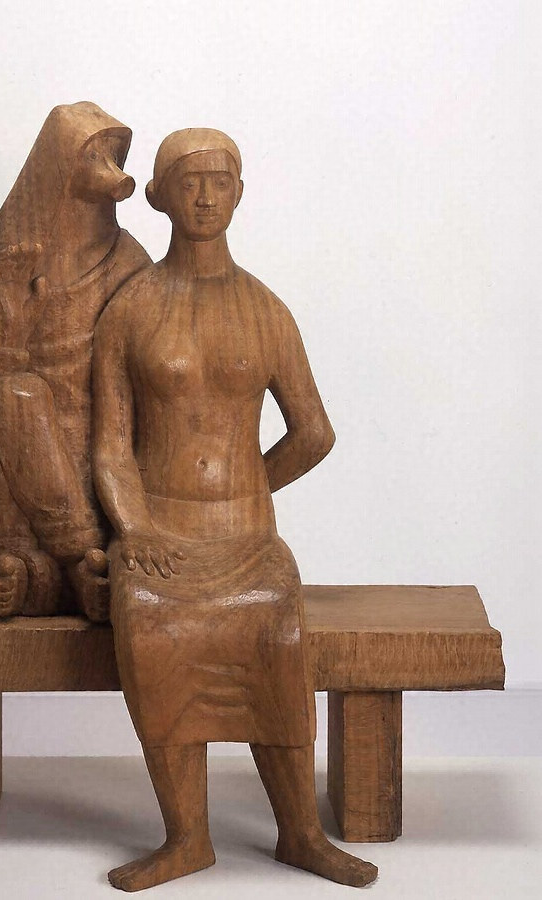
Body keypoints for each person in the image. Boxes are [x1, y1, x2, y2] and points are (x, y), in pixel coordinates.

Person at [92, 128, 377, 890]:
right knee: (149, 623)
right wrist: (135, 526)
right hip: (156, 537)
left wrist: (246, 491)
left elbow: (313, 432)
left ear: (240, 195)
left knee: (278, 632)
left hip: (247, 537)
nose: (204, 197)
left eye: (219, 182)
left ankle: (300, 834)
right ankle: (185, 837)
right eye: (187, 183)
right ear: (158, 197)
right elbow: (110, 445)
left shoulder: (264, 310)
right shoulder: (132, 308)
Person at [0, 103, 150, 620]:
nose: (111, 170)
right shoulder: (9, 261)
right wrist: (5, 326)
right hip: (11, 481)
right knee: (16, 397)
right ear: (58, 167)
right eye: (92, 156)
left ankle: (67, 573)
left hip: (100, 476)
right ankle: (72, 564)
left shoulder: (131, 266)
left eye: (114, 155)